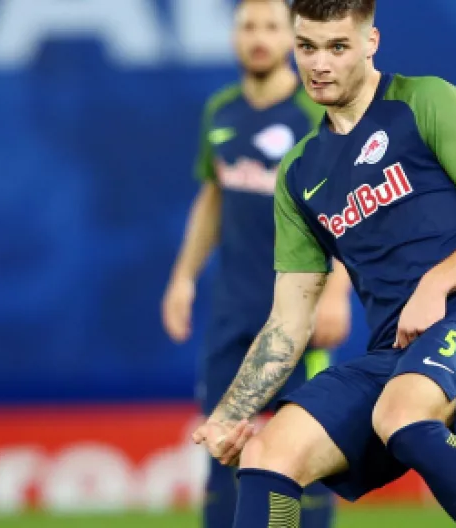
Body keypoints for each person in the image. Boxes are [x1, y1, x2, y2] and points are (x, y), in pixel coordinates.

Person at [190, 1, 456, 526]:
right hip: (394, 351)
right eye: (307, 47)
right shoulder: (299, 172)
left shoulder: (424, 101)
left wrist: (437, 283)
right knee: (268, 453)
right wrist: (230, 414)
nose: (319, 64)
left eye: (337, 47)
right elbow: (288, 321)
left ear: (370, 43)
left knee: (401, 415)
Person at [160, 1, 350, 526]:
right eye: (248, 26)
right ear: (234, 37)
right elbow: (212, 196)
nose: (258, 37)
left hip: (298, 314)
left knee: (307, 451)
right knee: (221, 447)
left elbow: (345, 205)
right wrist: (182, 279)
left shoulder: (314, 113)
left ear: (292, 38)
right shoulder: (221, 110)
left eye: (271, 26)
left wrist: (337, 292)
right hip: (233, 312)